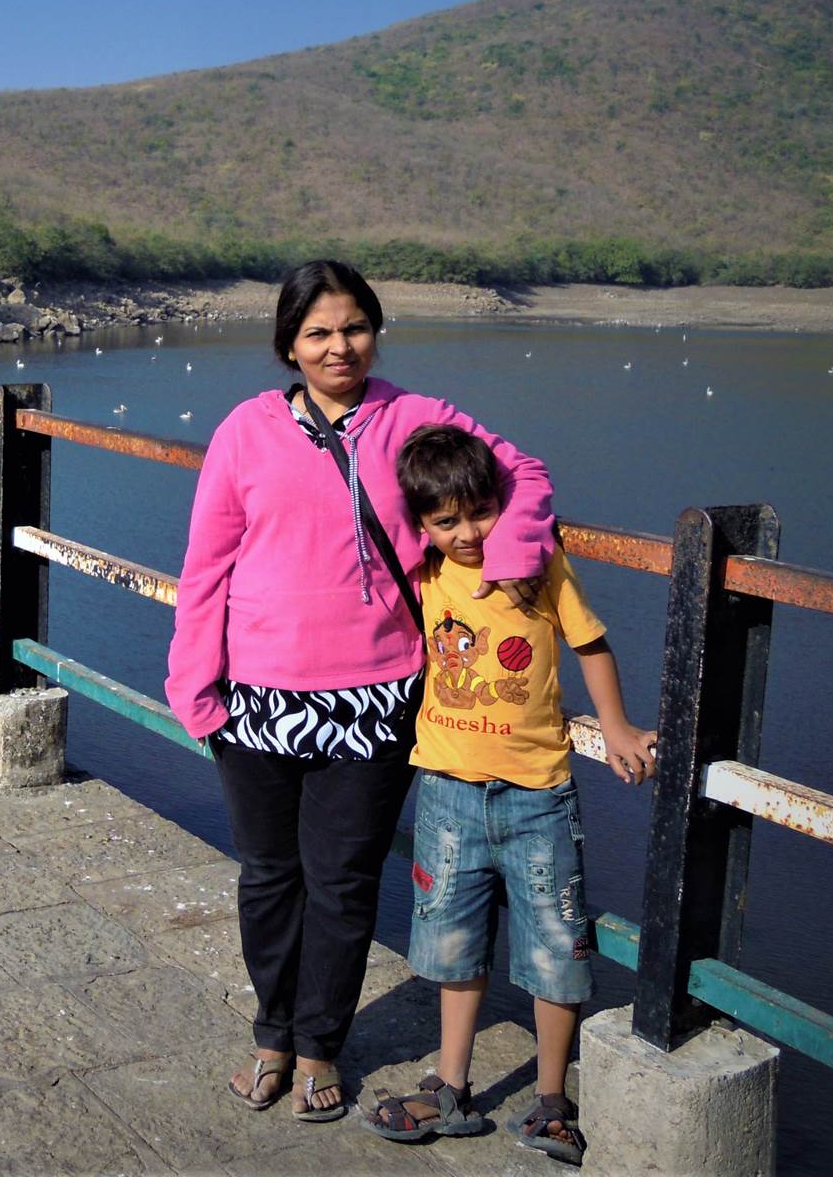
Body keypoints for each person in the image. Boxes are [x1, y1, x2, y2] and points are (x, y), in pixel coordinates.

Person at [165, 260, 556, 1122]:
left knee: (340, 881)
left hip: (377, 695)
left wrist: (512, 552)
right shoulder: (243, 430)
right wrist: (193, 682)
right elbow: (205, 568)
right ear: (288, 347)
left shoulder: (412, 417)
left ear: (374, 330)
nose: (338, 346)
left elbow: (520, 473)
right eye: (317, 333)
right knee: (269, 877)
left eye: (353, 327)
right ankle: (270, 1035)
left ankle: (319, 1049)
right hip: (256, 694)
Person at [359, 423, 657, 1165]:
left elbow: (589, 644)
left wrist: (615, 726)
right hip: (447, 790)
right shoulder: (422, 572)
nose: (466, 533)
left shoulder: (538, 564)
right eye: (445, 520)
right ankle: (450, 1086)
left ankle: (552, 1099)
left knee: (557, 949)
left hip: (536, 793)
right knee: (453, 946)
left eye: (480, 511)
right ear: (422, 523)